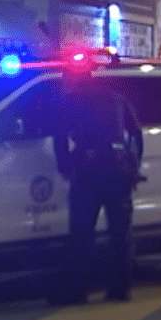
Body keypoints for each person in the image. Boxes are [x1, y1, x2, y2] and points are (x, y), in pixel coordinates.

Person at [51, 71, 144, 304]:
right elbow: (136, 133)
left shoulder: (71, 100)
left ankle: (77, 291)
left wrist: (65, 165)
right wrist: (133, 161)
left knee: (82, 233)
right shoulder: (115, 97)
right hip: (118, 168)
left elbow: (59, 136)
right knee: (120, 233)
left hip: (88, 170)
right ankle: (120, 289)